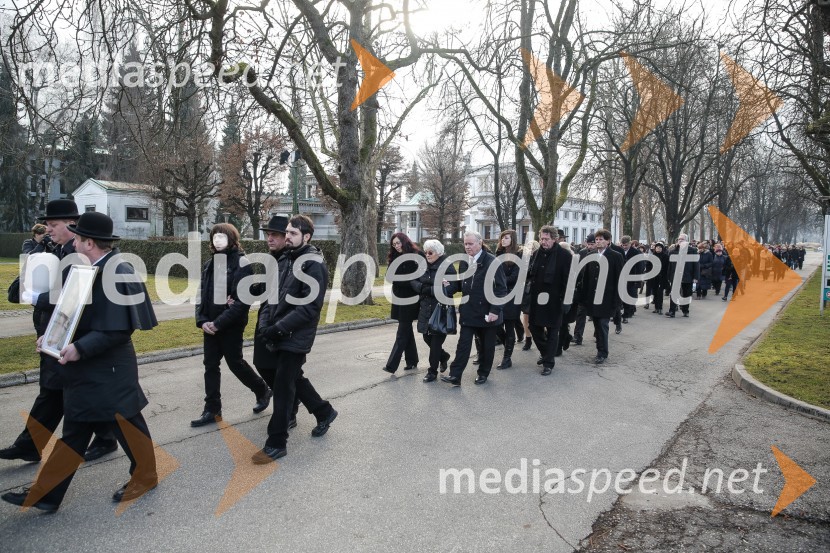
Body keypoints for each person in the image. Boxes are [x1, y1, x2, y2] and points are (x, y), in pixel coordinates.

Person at [1, 211, 158, 512]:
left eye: (78, 239)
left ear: (89, 243)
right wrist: (51, 339)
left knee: (127, 424)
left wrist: (79, 348)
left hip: (109, 368)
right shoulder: (88, 267)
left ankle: (146, 476)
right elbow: (70, 313)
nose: (73, 244)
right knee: (75, 429)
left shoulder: (118, 270)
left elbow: (118, 329)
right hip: (86, 366)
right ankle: (47, 494)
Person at [0, 200, 118, 465]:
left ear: (72, 225)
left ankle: (100, 438)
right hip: (52, 331)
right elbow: (18, 290)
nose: (49, 229)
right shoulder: (50, 250)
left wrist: (39, 300)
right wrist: (37, 253)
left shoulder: (82, 255)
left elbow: (76, 295)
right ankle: (34, 445)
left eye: (53, 225)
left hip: (71, 334)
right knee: (55, 391)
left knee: (60, 392)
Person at [252, 215, 337, 464]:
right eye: (287, 232)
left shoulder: (314, 265)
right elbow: (271, 297)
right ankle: (324, 411)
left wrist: (278, 328)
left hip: (296, 336)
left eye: (292, 233)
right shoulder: (285, 259)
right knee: (290, 380)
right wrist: (265, 325)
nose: (287, 236)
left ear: (306, 236)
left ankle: (276, 443)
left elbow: (310, 308)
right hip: (278, 332)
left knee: (283, 387)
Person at [191, 223, 272, 428]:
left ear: (232, 239)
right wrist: (202, 321)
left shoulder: (241, 264)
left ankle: (262, 389)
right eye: (214, 236)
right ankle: (212, 410)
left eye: (222, 236)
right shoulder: (209, 264)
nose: (217, 240)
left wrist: (218, 323)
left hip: (231, 326)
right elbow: (201, 295)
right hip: (210, 325)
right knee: (210, 365)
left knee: (235, 363)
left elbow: (241, 302)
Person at [440, 231, 507, 386]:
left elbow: (501, 289)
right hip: (468, 311)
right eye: (465, 244)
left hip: (487, 312)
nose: (467, 247)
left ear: (480, 243)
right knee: (463, 344)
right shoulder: (464, 262)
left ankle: (483, 373)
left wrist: (495, 310)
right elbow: (462, 285)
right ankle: (455, 375)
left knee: (486, 346)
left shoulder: (492, 262)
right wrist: (449, 286)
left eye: (470, 243)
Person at [527, 226, 572, 376]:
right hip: (537, 299)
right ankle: (546, 353)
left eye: (546, 239)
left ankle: (548, 363)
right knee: (534, 327)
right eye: (541, 238)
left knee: (553, 331)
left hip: (555, 300)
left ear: (554, 239)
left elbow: (569, 280)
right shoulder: (536, 254)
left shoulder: (565, 256)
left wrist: (566, 300)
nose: (543, 242)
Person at [411, 239, 456, 382]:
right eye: (425, 252)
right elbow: (413, 281)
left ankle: (432, 371)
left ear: (439, 253)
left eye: (430, 252)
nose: (427, 255)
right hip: (425, 307)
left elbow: (453, 287)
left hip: (441, 309)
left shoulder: (447, 266)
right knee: (426, 337)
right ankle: (443, 356)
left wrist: (432, 289)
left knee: (436, 342)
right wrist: (424, 288)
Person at [579, 229, 623, 364]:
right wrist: (583, 297)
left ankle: (602, 352)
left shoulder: (615, 256)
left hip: (607, 297)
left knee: (603, 324)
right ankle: (600, 348)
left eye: (601, 239)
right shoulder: (590, 255)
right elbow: (586, 278)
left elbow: (620, 279)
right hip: (593, 297)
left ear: (608, 241)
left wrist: (617, 300)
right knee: (597, 324)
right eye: (596, 240)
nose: (598, 242)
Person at [382, 233, 423, 374]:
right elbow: (389, 277)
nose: (396, 246)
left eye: (398, 243)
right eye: (394, 244)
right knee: (407, 330)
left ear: (405, 241)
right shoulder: (394, 257)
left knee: (402, 332)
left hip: (411, 299)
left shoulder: (417, 255)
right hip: (399, 298)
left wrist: (403, 280)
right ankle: (412, 361)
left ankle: (391, 365)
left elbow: (419, 277)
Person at [494, 230, 523, 370]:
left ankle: (507, 358)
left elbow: (515, 277)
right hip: (498, 294)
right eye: (502, 238)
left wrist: (498, 280)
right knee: (496, 325)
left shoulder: (519, 255)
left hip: (512, 294)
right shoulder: (498, 253)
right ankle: (508, 345)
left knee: (509, 325)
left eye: (506, 238)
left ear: (513, 239)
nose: (503, 240)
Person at [666, 233, 700, 318]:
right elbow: (670, 266)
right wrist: (669, 276)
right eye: (679, 239)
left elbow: (696, 265)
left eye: (682, 239)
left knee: (686, 293)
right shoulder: (673, 251)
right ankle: (672, 311)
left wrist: (696, 277)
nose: (680, 240)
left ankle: (685, 310)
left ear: (687, 241)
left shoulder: (692, 251)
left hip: (687, 275)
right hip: (675, 276)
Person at [572, 234, 596, 345]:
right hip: (582, 288)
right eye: (589, 244)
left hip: (595, 290)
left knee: (595, 314)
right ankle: (578, 336)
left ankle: (598, 333)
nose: (590, 246)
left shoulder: (599, 254)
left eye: (592, 244)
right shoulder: (582, 253)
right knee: (580, 313)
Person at [520, 240, 540, 351]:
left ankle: (542, 337)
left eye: (532, 248)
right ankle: (528, 339)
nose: (530, 250)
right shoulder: (524, 260)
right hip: (527, 291)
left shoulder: (540, 258)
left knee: (539, 318)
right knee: (526, 317)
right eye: (528, 248)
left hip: (537, 291)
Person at [648, 242, 669, 315]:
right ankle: (656, 308)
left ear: (662, 248)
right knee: (655, 293)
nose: (658, 249)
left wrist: (666, 276)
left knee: (660, 293)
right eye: (657, 247)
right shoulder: (652, 256)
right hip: (654, 277)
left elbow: (667, 267)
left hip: (661, 277)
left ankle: (660, 308)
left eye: (660, 247)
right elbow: (649, 266)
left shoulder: (665, 256)